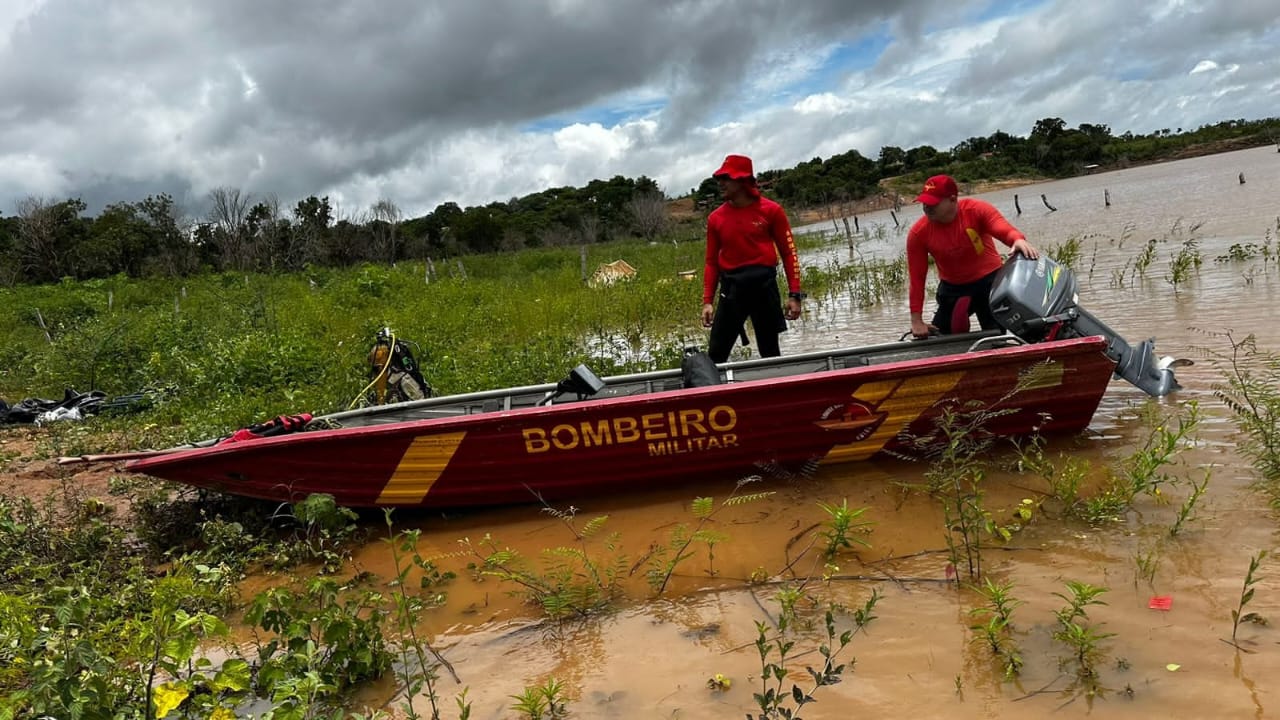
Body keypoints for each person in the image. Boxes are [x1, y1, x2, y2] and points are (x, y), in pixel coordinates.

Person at [907, 174, 1040, 338]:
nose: (926, 207)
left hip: (990, 283)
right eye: (924, 202)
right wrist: (916, 320)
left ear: (952, 199)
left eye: (932, 203)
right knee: (939, 338)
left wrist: (1017, 239)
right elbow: (917, 279)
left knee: (996, 336)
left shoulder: (976, 210)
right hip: (953, 289)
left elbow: (1001, 227)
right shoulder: (918, 233)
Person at [701, 154, 805, 363]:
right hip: (731, 290)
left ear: (742, 180)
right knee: (716, 355)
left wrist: (794, 295)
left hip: (764, 289)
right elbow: (711, 262)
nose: (720, 184)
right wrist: (707, 301)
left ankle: (774, 393)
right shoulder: (716, 218)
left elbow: (788, 253)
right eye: (719, 179)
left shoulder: (772, 211)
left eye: (726, 178)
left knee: (770, 353)